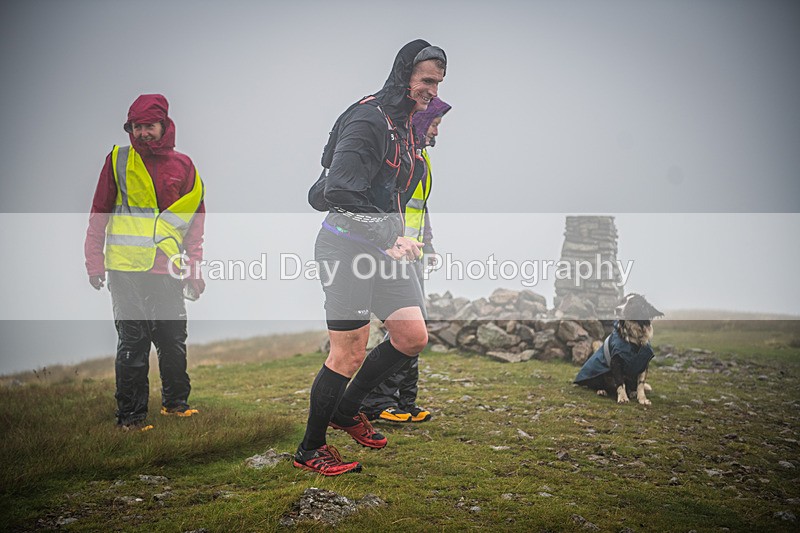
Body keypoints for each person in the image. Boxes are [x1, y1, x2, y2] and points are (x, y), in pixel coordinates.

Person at [296, 40, 446, 475]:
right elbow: (337, 191)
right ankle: (310, 449)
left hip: (382, 250)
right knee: (348, 352)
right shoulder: (369, 119)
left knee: (411, 336)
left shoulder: (404, 124)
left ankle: (347, 410)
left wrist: (393, 237)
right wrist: (390, 235)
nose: (433, 92)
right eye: (427, 82)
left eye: (438, 83)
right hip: (344, 248)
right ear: (404, 76)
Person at [84, 94, 206, 431]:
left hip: (167, 267)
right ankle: (131, 418)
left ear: (164, 125)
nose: (142, 133)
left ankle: (176, 405)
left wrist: (194, 268)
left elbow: (194, 224)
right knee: (133, 341)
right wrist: (94, 261)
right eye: (136, 127)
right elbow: (99, 212)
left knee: (172, 338)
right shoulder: (117, 161)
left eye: (148, 126)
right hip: (124, 269)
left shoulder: (185, 166)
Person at [360, 96, 452, 424]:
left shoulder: (421, 156)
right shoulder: (401, 157)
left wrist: (428, 245)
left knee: (415, 331)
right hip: (392, 253)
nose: (438, 131)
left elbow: (419, 209)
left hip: (413, 255)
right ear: (420, 123)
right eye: (435, 123)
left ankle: (405, 402)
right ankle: (376, 403)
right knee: (404, 332)